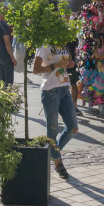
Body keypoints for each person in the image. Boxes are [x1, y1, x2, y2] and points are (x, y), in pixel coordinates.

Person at [32, 42, 79, 179]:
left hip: (64, 88)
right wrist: (55, 65)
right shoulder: (45, 45)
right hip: (50, 91)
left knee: (73, 128)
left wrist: (69, 64)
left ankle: (52, 154)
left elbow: (68, 60)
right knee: (52, 131)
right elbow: (36, 69)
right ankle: (57, 162)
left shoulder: (63, 44)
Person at [0, 14, 17, 87]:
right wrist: (12, 57)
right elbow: (7, 42)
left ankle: (2, 95)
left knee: (2, 80)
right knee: (9, 81)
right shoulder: (4, 25)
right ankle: (8, 95)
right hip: (6, 55)